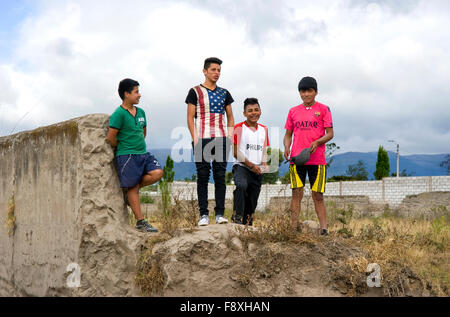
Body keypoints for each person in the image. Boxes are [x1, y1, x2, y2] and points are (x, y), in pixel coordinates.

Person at [106, 78, 163, 233]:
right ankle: (140, 221)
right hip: (127, 155)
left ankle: (131, 191)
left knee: (157, 173)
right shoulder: (118, 114)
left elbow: (143, 132)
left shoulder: (142, 112)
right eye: (136, 92)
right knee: (132, 188)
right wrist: (125, 146)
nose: (139, 95)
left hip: (142, 153)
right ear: (126, 94)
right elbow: (111, 138)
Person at [185, 57, 235, 226]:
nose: (217, 73)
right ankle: (203, 214)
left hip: (221, 138)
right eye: (213, 70)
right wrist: (195, 138)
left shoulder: (225, 93)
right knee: (203, 176)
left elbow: (230, 116)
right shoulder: (195, 91)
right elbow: (190, 117)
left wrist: (229, 137)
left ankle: (220, 213)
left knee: (220, 176)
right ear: (205, 71)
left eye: (219, 70)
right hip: (202, 138)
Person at [283, 76, 334, 236]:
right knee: (296, 192)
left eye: (309, 91)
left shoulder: (324, 109)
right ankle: (292, 228)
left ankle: (324, 228)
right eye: (302, 91)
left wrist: (317, 142)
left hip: (317, 159)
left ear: (315, 92)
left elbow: (330, 134)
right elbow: (288, 134)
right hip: (297, 159)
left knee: (317, 194)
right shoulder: (293, 111)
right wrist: (286, 146)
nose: (306, 94)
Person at [232, 98, 269, 226]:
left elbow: (264, 150)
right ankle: (237, 217)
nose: (254, 113)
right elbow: (236, 152)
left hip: (257, 170)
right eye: (250, 111)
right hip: (242, 167)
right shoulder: (238, 128)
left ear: (260, 111)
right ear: (244, 113)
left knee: (253, 198)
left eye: (256, 110)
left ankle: (247, 222)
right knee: (241, 186)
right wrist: (251, 165)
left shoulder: (264, 129)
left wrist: (264, 165)